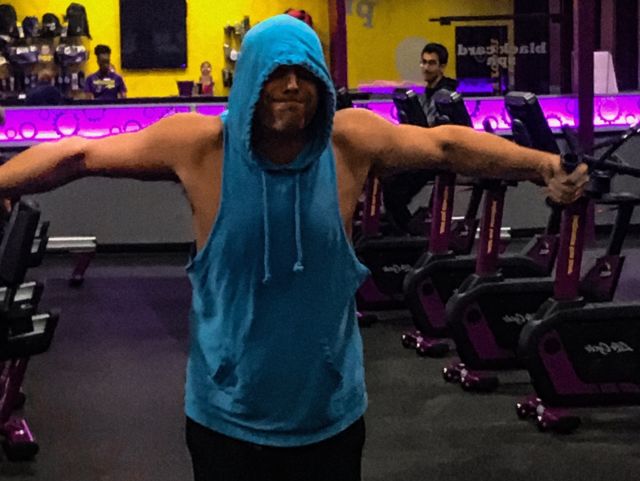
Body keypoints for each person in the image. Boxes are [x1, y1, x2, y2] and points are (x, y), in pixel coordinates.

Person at [0, 15, 587, 481]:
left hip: (328, 416)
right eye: (276, 72)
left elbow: (445, 146)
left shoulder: (349, 142)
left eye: (304, 74)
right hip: (225, 417)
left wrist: (541, 165)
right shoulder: (201, 146)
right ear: (251, 78)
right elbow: (78, 155)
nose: (290, 86)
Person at [419, 42, 458, 126]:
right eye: (424, 62)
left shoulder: (447, 95)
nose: (426, 68)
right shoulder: (425, 94)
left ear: (442, 67)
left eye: (431, 63)